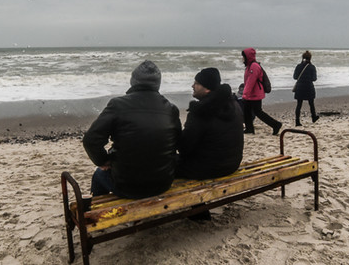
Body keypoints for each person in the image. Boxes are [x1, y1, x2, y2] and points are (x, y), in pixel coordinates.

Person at [82, 60, 182, 198]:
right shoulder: (171, 109)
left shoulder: (118, 105)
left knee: (99, 175)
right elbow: (177, 142)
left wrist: (102, 161)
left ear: (133, 81)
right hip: (163, 183)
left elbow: (91, 140)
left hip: (127, 186)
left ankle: (96, 214)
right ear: (158, 83)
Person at [177, 68, 244, 180]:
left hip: (206, 169)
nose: (192, 86)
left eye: (197, 83)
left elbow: (184, 148)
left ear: (207, 89)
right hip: (231, 165)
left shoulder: (200, 111)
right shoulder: (234, 105)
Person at [241, 48, 282, 135]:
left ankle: (276, 124)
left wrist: (245, 94)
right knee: (247, 111)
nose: (242, 59)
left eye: (243, 57)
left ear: (248, 57)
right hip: (251, 94)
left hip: (255, 94)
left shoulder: (254, 66)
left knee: (258, 112)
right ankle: (249, 128)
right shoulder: (249, 66)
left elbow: (251, 82)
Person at [293, 51, 319, 126]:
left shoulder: (298, 66)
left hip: (300, 87)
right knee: (311, 104)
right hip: (309, 87)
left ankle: (297, 121)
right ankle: (313, 117)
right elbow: (314, 79)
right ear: (310, 58)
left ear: (303, 57)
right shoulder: (312, 67)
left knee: (299, 105)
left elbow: (295, 77)